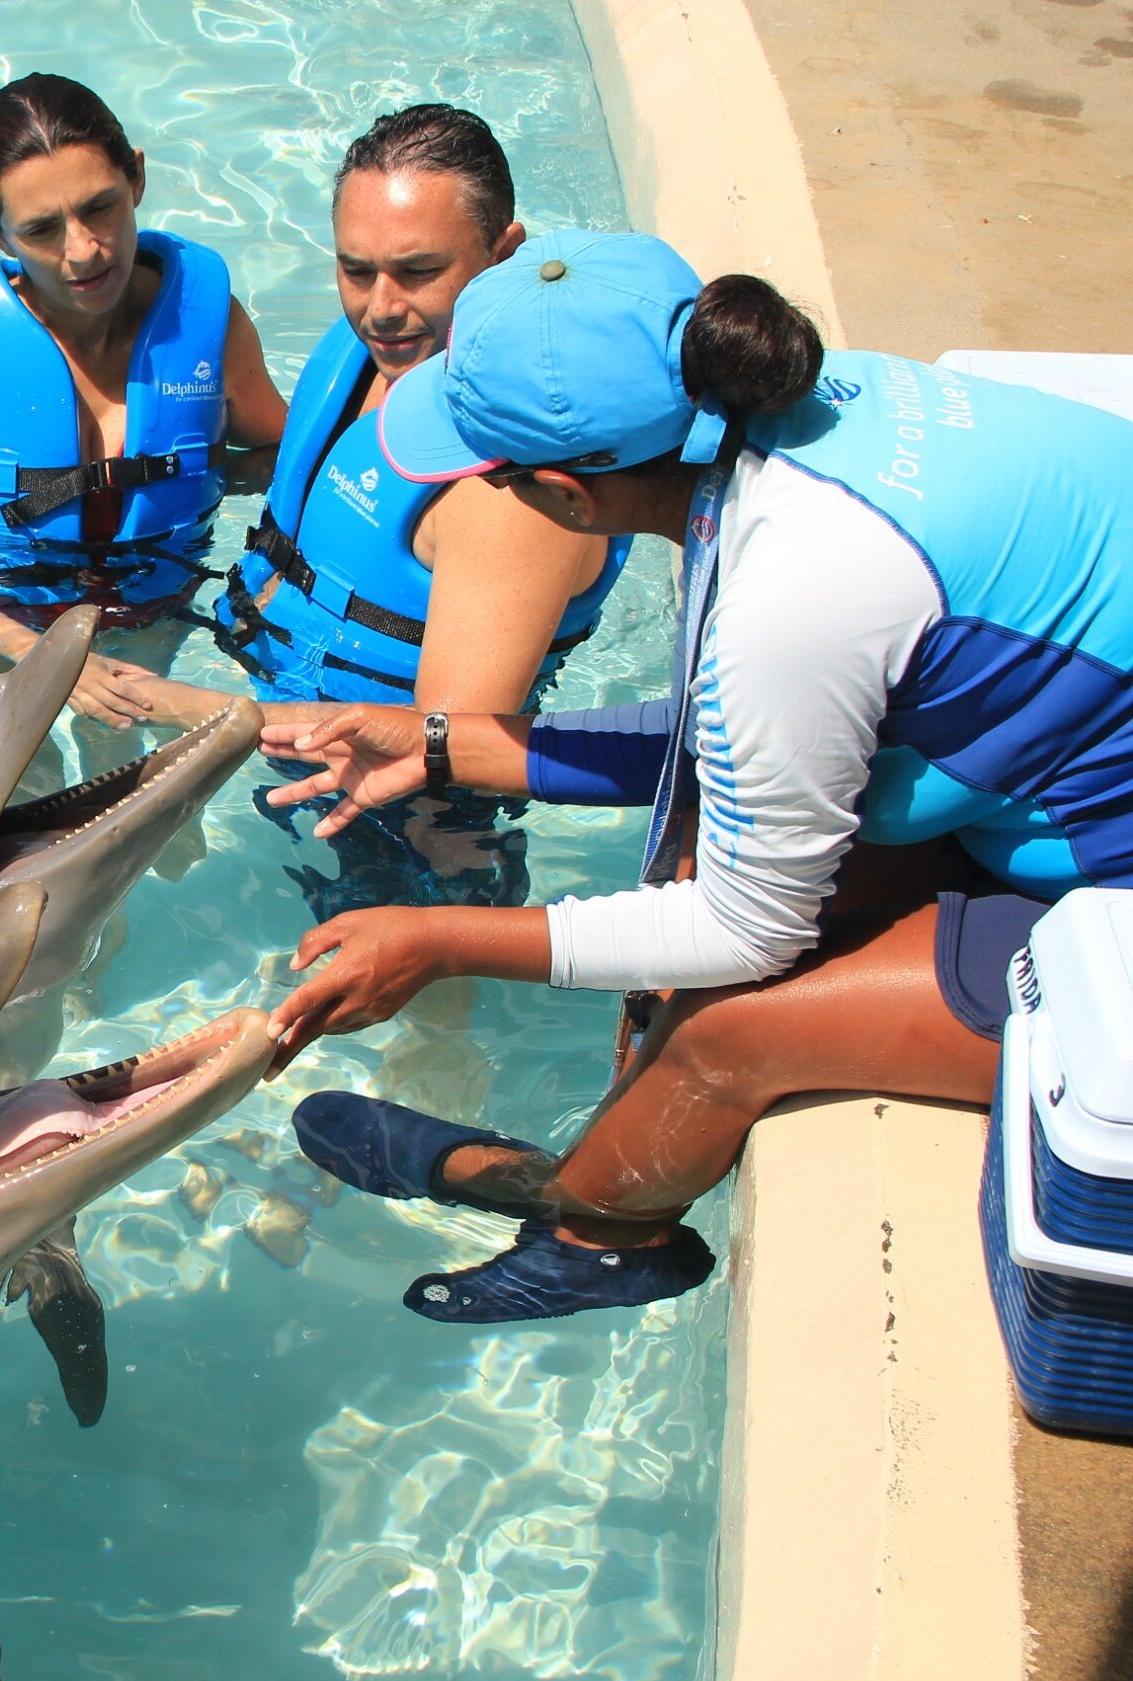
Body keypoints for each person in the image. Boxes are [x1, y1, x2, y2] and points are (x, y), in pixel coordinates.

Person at [257, 228, 1133, 1324]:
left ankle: (593, 1235)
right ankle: (616, 1160)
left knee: (727, 1032)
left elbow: (749, 928)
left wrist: (434, 940)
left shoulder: (800, 588)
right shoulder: (823, 413)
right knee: (701, 878)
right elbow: (739, 731)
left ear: (568, 498)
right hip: (1067, 783)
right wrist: (442, 742)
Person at [145, 106, 629, 926]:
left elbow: (437, 746)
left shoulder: (511, 487)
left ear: (504, 255)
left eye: (418, 271)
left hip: (417, 830)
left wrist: (183, 708)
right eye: (356, 269)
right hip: (291, 732)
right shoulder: (365, 358)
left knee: (400, 1005)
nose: (380, 308)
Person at [0, 73, 289, 763]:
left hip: (147, 610)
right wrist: (41, 657)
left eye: (100, 207)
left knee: (145, 801)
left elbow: (291, 460)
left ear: (137, 178)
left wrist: (271, 555)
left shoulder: (206, 328)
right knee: (2, 803)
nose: (84, 249)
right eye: (41, 229)